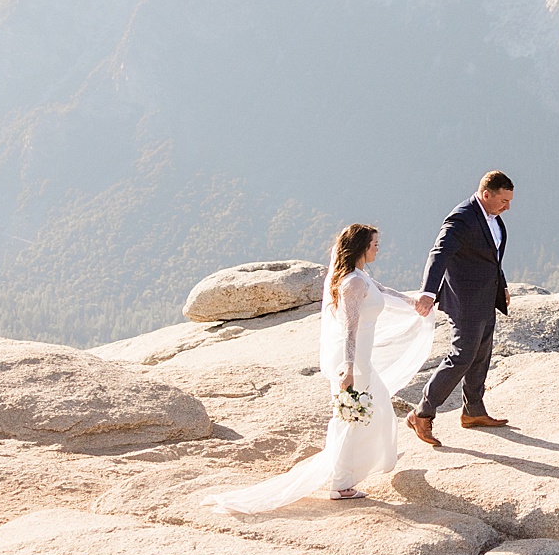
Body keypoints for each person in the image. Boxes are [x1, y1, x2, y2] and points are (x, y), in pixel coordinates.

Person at [208, 222, 434, 509]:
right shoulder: (352, 283)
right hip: (355, 363)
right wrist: (349, 369)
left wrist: (414, 303)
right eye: (375, 244)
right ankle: (341, 484)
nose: (379, 248)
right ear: (362, 247)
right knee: (352, 420)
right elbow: (349, 329)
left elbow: (384, 290)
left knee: (373, 414)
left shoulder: (359, 277)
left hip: (362, 361)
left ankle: (351, 473)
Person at [406, 170, 515, 446]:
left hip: (486, 297)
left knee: (481, 354)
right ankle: (422, 413)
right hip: (465, 300)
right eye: (503, 200)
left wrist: (501, 286)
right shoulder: (462, 217)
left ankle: (473, 411)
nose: (507, 207)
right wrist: (428, 293)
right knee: (461, 356)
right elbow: (439, 253)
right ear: (486, 194)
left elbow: (493, 257)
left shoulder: (493, 218)